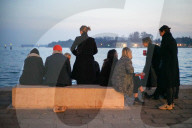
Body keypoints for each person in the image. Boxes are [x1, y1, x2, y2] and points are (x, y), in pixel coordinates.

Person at [158, 25, 180, 110]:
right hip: (174, 64)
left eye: (160, 31)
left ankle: (169, 104)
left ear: (163, 31)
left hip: (168, 65)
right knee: (173, 84)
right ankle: (172, 103)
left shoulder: (165, 39)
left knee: (168, 84)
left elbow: (162, 52)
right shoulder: (172, 39)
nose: (160, 33)